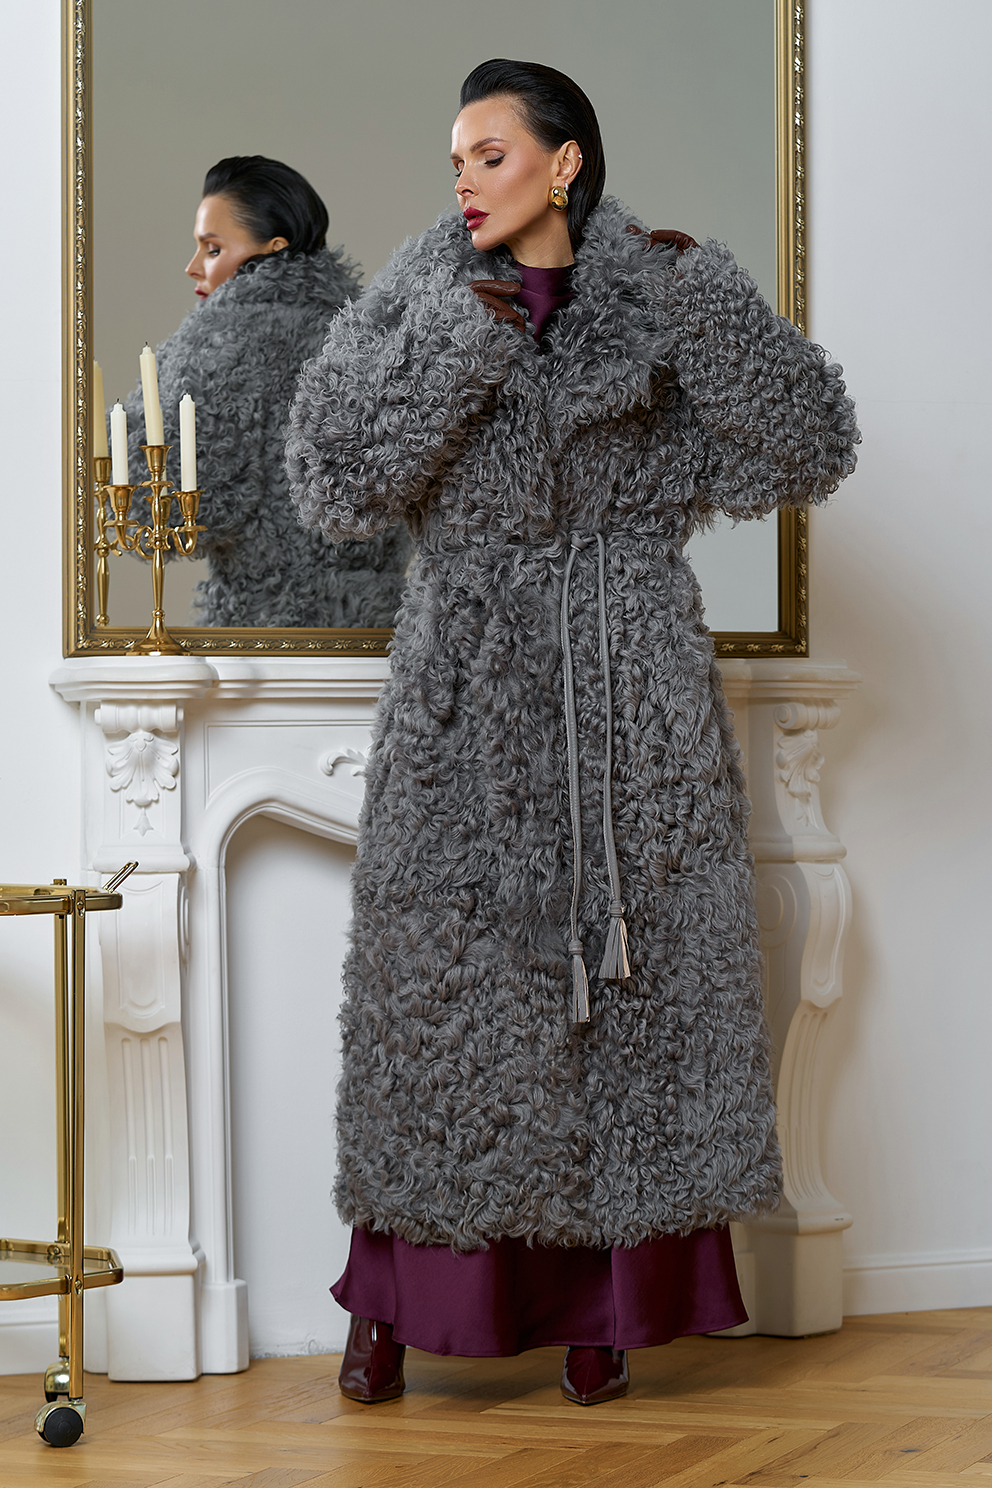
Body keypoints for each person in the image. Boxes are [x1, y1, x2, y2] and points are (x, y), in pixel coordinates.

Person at [287, 60, 859, 1405]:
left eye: (489, 154)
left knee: (634, 1012)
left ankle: (610, 1310)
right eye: (455, 160)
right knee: (443, 1018)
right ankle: (398, 1308)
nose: (464, 181)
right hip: (464, 700)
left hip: (631, 698)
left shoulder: (657, 300)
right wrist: (456, 345)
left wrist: (706, 300)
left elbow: (804, 446)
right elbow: (333, 482)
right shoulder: (419, 297)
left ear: (564, 162)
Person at [121, 155, 411, 627]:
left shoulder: (224, 340)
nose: (193, 267)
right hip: (375, 632)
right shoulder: (368, 335)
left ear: (274, 249)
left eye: (212, 249)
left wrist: (129, 449)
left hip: (266, 635)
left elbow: (168, 508)